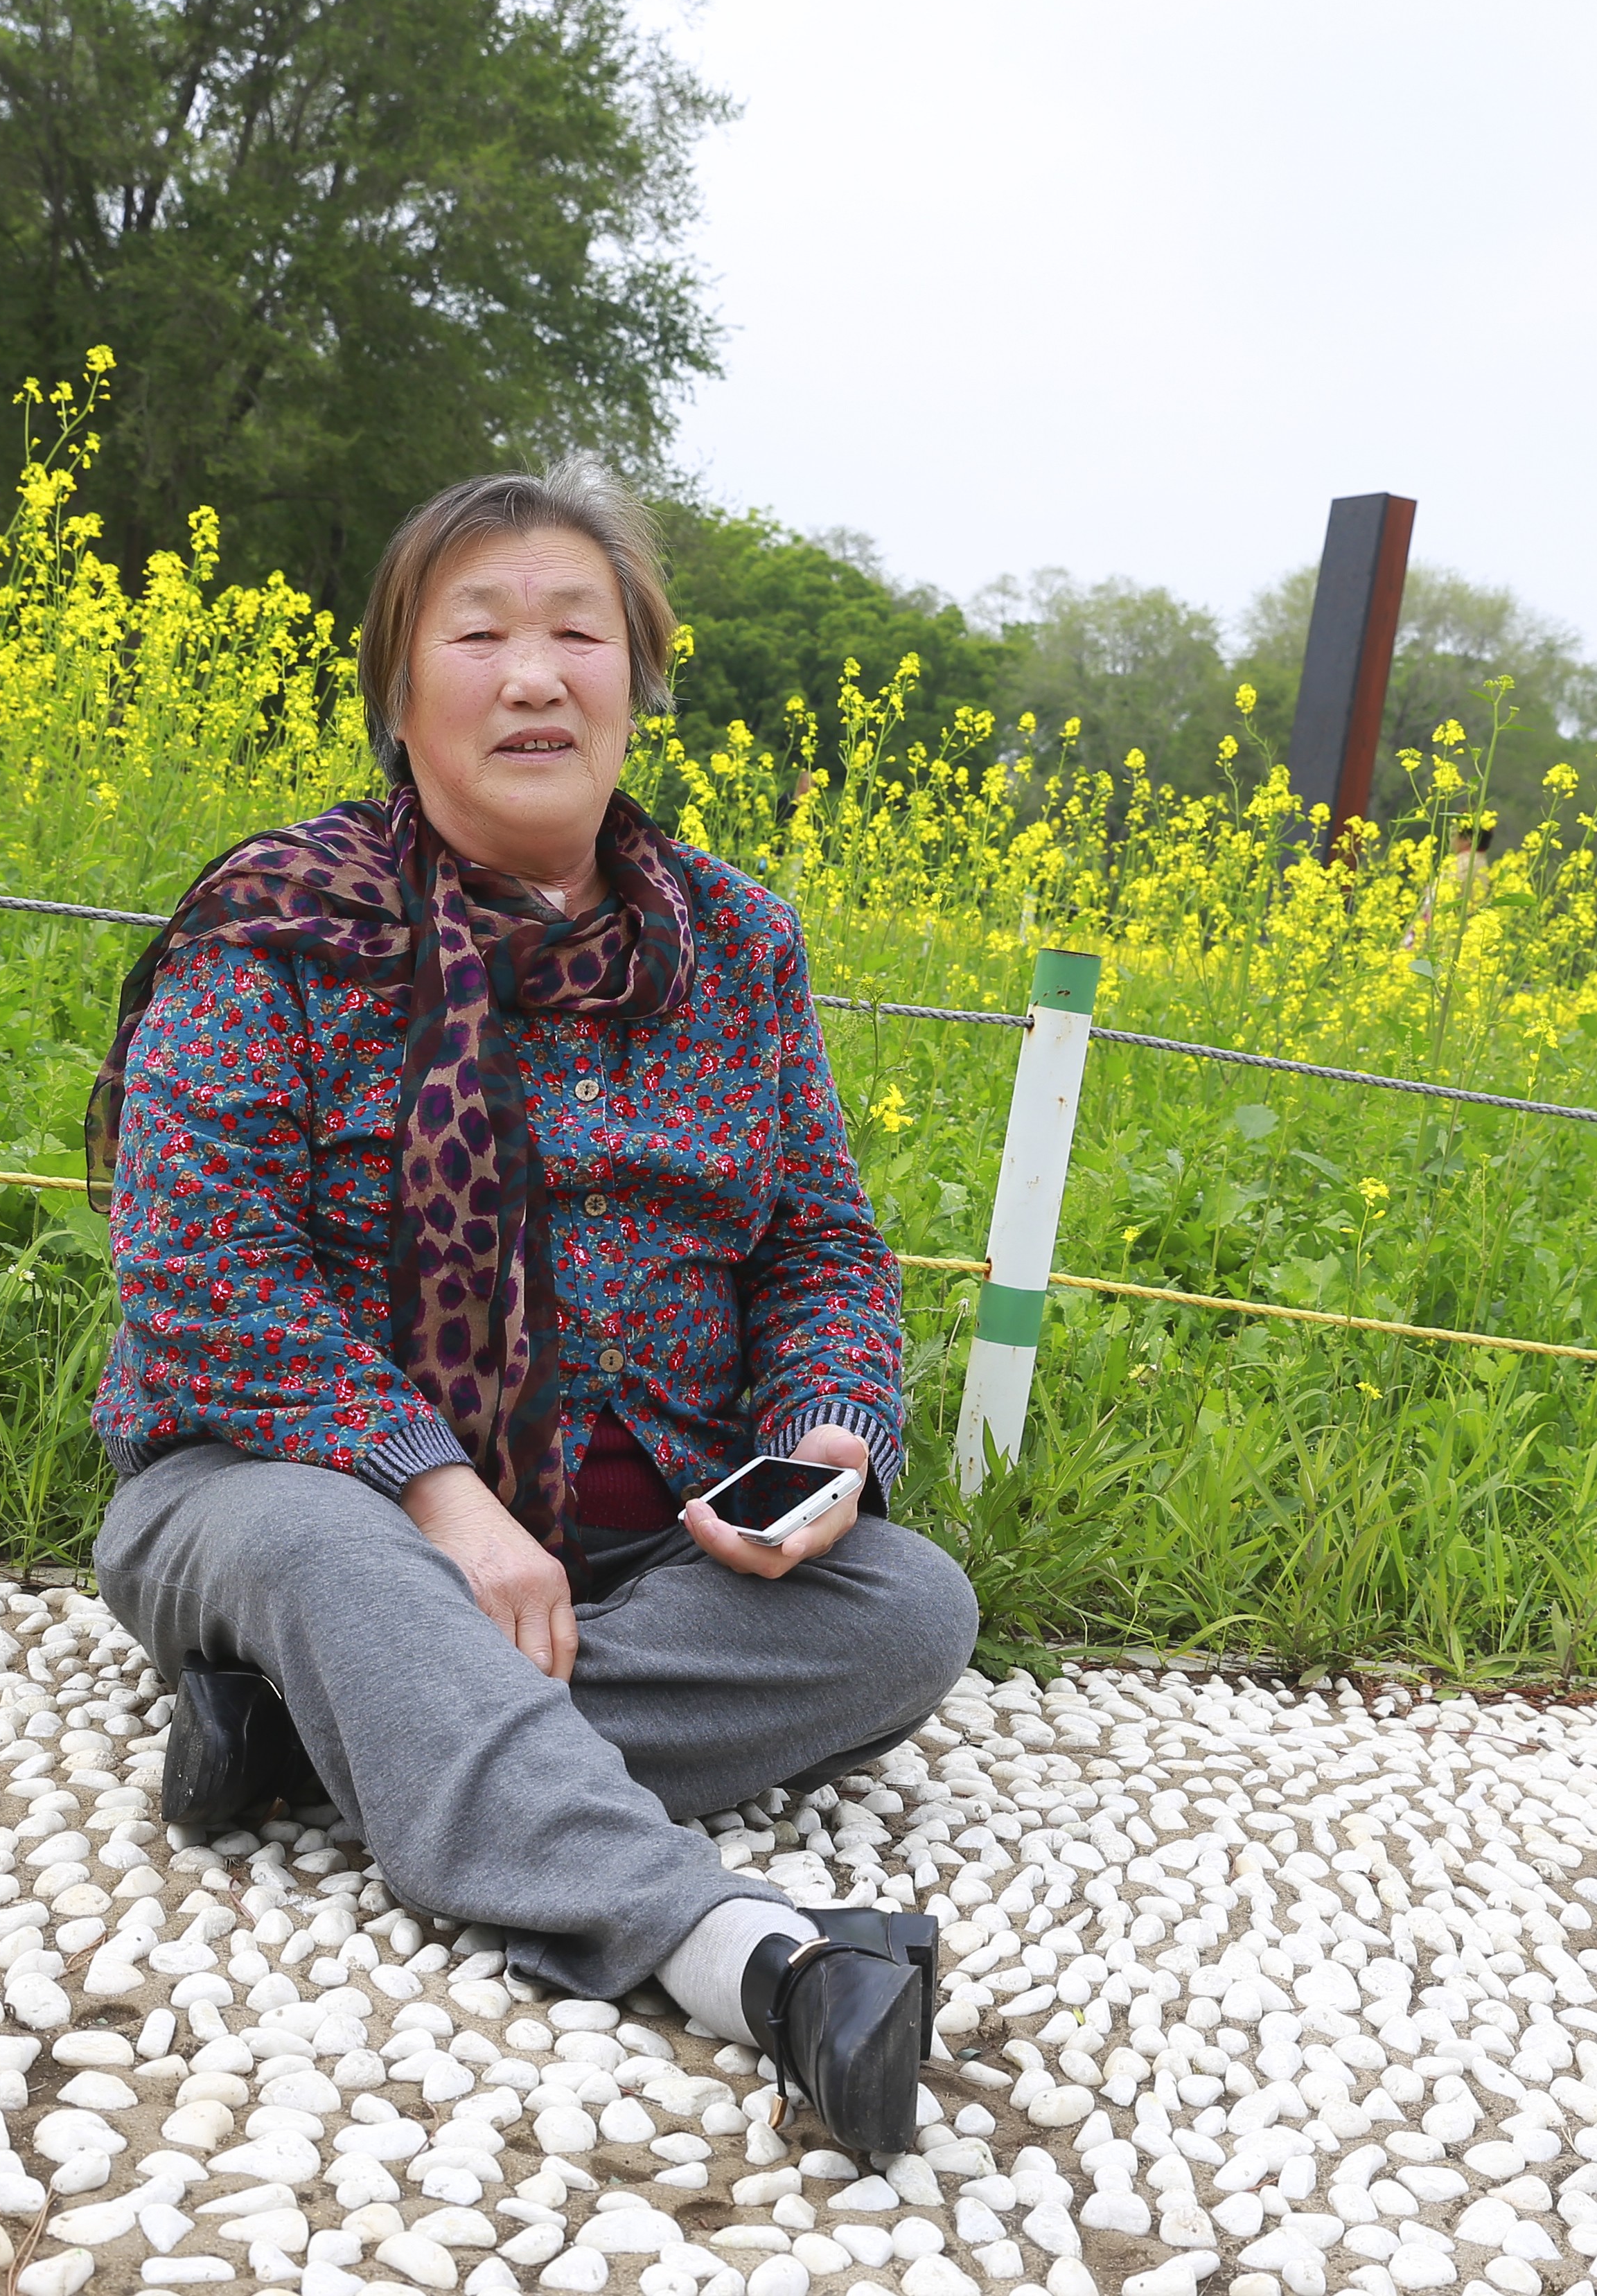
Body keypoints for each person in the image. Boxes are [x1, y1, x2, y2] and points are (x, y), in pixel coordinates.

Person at [85, 460, 979, 2157]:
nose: (532, 676)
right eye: (478, 633)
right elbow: (204, 1277)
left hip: (643, 1549)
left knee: (908, 1607)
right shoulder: (278, 927)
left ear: (638, 682)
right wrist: (439, 1494)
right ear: (397, 692)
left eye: (577, 633)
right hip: (284, 1493)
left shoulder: (736, 944)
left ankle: (310, 1732)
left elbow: (819, 1247)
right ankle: (751, 1961)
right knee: (340, 1566)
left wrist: (827, 1441)